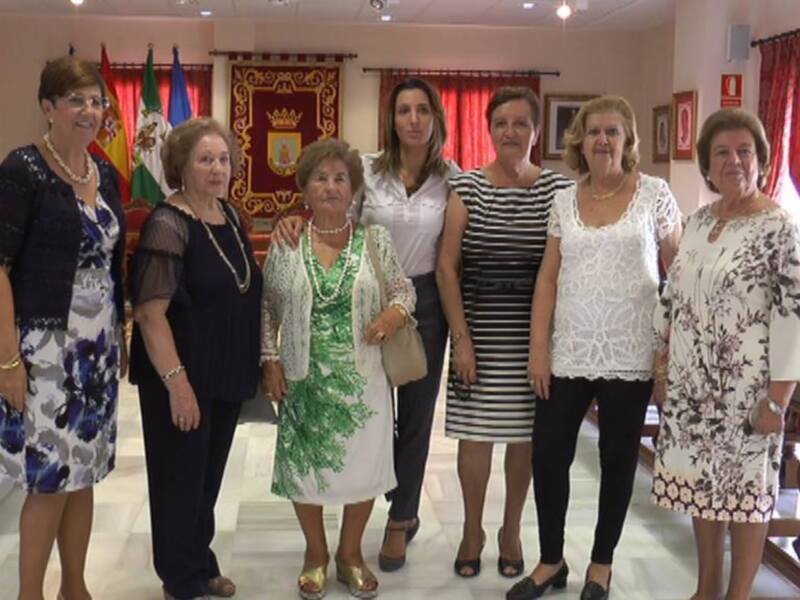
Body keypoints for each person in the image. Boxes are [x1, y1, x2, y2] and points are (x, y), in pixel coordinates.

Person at [272, 78, 459, 571]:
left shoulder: (452, 178)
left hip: (424, 301)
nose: (413, 120)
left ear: (436, 117)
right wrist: (294, 221)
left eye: (423, 110)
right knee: (370, 413)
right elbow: (332, 217)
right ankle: (341, 533)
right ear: (392, 119)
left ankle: (401, 519)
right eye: (404, 110)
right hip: (363, 292)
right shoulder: (369, 173)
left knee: (414, 419)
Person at [510, 95, 682, 600]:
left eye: (613, 131)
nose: (603, 140)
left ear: (628, 140)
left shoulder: (655, 194)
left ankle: (601, 564)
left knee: (617, 458)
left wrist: (668, 353)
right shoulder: (564, 199)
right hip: (569, 349)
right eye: (593, 131)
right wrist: (538, 349)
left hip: (632, 351)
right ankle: (550, 560)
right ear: (579, 142)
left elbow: (683, 274)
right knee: (548, 454)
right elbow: (548, 278)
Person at [651, 108, 800, 600]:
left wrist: (778, 398)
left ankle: (736, 596)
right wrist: (663, 365)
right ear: (707, 165)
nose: (734, 160)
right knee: (701, 489)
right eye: (722, 152)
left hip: (749, 393)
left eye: (745, 151)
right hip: (693, 387)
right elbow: (672, 297)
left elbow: (794, 316)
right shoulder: (696, 222)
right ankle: (706, 588)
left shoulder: (779, 227)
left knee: (746, 499)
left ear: (761, 159)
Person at [261, 137, 416, 599]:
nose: (330, 187)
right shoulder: (287, 240)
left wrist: (394, 314)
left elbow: (404, 291)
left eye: (340, 178)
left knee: (363, 467)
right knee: (304, 469)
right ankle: (315, 554)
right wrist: (270, 359)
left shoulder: (376, 239)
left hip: (363, 380)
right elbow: (267, 309)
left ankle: (350, 554)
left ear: (353, 189)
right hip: (303, 377)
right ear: (304, 189)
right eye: (320, 178)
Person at [0, 55, 126, 600]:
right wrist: (7, 360)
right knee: (48, 482)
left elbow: (112, 265)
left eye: (96, 100)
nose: (88, 110)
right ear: (48, 107)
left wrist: (119, 334)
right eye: (75, 99)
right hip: (44, 352)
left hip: (95, 352)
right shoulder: (23, 170)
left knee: (85, 475)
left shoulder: (109, 176)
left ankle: (75, 587)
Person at [436, 86, 573, 579]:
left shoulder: (558, 191)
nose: (511, 132)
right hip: (479, 331)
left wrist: (547, 345)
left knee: (526, 440)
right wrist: (462, 339)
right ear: (489, 130)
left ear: (537, 132)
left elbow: (563, 268)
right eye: (501, 124)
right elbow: (447, 268)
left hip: (535, 338)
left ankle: (511, 530)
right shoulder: (467, 188)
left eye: (521, 123)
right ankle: (472, 530)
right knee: (475, 438)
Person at [129, 118, 262, 600]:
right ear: (180, 167)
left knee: (205, 479)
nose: (217, 168)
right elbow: (149, 314)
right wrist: (177, 384)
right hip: (181, 375)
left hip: (222, 372)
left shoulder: (228, 214)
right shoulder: (168, 223)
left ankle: (200, 562)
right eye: (204, 159)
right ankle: (180, 580)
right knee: (178, 481)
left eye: (223, 159)